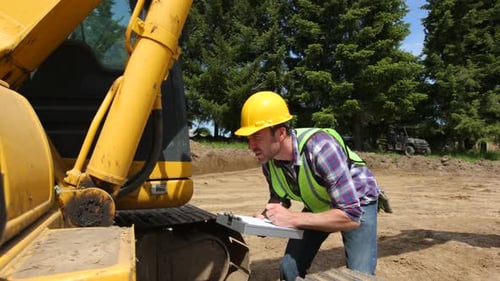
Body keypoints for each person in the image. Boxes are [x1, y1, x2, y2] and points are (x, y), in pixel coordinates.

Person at [235, 91, 380, 280]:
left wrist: (294, 219)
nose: (251, 146)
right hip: (321, 204)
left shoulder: (321, 149)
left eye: (257, 137)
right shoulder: (268, 161)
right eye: (249, 138)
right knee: (289, 269)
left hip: (357, 203)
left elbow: (351, 217)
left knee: (360, 276)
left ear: (280, 133)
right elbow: (279, 197)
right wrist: (265, 218)